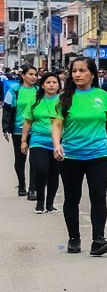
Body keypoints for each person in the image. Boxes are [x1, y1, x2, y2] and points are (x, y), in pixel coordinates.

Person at [51, 57, 107, 256]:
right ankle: (74, 239)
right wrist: (57, 145)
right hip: (71, 156)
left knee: (99, 196)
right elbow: (57, 124)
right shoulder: (65, 98)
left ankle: (98, 240)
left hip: (98, 155)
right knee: (72, 197)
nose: (77, 74)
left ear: (92, 74)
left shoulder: (103, 97)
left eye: (82, 70)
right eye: (74, 71)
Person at [20, 72, 61, 213]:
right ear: (42, 85)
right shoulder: (35, 100)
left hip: (58, 143)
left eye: (54, 82)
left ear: (59, 85)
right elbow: (27, 122)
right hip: (38, 141)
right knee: (41, 169)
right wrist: (23, 140)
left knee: (54, 173)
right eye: (48, 82)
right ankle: (40, 201)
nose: (51, 85)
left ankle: (50, 204)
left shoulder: (64, 101)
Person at [3, 64, 38, 197]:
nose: (34, 77)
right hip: (18, 130)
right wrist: (5, 127)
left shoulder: (39, 91)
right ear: (23, 76)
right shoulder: (14, 91)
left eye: (35, 75)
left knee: (35, 160)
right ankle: (22, 185)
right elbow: (7, 109)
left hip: (36, 131)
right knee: (20, 159)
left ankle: (33, 188)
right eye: (30, 74)